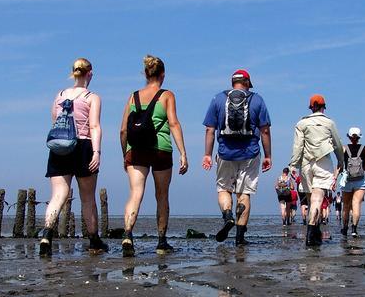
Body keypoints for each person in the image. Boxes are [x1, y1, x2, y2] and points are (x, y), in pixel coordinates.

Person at [119, 55, 189, 256]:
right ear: (163, 75)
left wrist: (126, 153)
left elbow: (123, 130)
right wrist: (183, 152)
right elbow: (174, 123)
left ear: (146, 74)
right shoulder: (167, 95)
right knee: (162, 195)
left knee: (135, 193)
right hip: (161, 150)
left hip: (136, 150)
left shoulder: (133, 96)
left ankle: (128, 235)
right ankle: (161, 242)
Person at [38, 57, 108, 257]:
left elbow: (54, 121)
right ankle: (94, 240)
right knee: (87, 198)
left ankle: (46, 235)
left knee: (58, 195)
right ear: (90, 74)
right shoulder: (92, 97)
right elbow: (95, 126)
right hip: (83, 145)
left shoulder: (59, 95)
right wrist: (97, 152)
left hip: (59, 147)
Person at [202, 69, 272, 245]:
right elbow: (265, 130)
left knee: (224, 189)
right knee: (244, 194)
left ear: (233, 82)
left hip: (225, 153)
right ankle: (240, 239)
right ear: (247, 83)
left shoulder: (218, 99)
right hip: (250, 153)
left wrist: (207, 155)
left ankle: (227, 216)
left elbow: (210, 129)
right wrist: (268, 155)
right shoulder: (257, 99)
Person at [288, 94, 345, 248]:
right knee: (317, 201)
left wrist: (293, 165)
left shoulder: (301, 123)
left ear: (311, 107)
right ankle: (311, 233)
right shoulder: (329, 123)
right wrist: (340, 160)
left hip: (306, 165)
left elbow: (298, 147)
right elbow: (338, 145)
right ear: (323, 107)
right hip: (323, 162)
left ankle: (314, 231)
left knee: (309, 199)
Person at [339, 127, 365, 238]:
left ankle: (344, 228)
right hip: (361, 180)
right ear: (359, 137)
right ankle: (354, 230)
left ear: (348, 136)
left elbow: (341, 164)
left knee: (346, 206)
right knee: (356, 203)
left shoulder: (344, 148)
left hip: (347, 179)